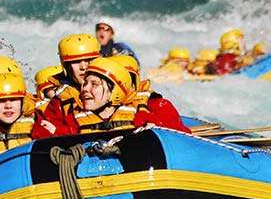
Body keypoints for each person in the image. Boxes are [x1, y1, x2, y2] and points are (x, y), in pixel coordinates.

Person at [37, 57, 187, 136]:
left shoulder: (147, 113)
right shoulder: (73, 118)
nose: (85, 89)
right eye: (85, 83)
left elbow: (181, 138)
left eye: (94, 84)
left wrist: (157, 129)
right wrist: (50, 133)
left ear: (115, 91)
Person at [32, 33, 100, 137]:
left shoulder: (117, 92)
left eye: (88, 60)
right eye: (76, 61)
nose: (83, 67)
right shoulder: (58, 103)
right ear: (66, 66)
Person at [109, 54, 189, 133]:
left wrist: (152, 121)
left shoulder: (159, 105)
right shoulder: (101, 107)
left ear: (134, 82)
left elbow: (177, 136)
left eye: (122, 80)